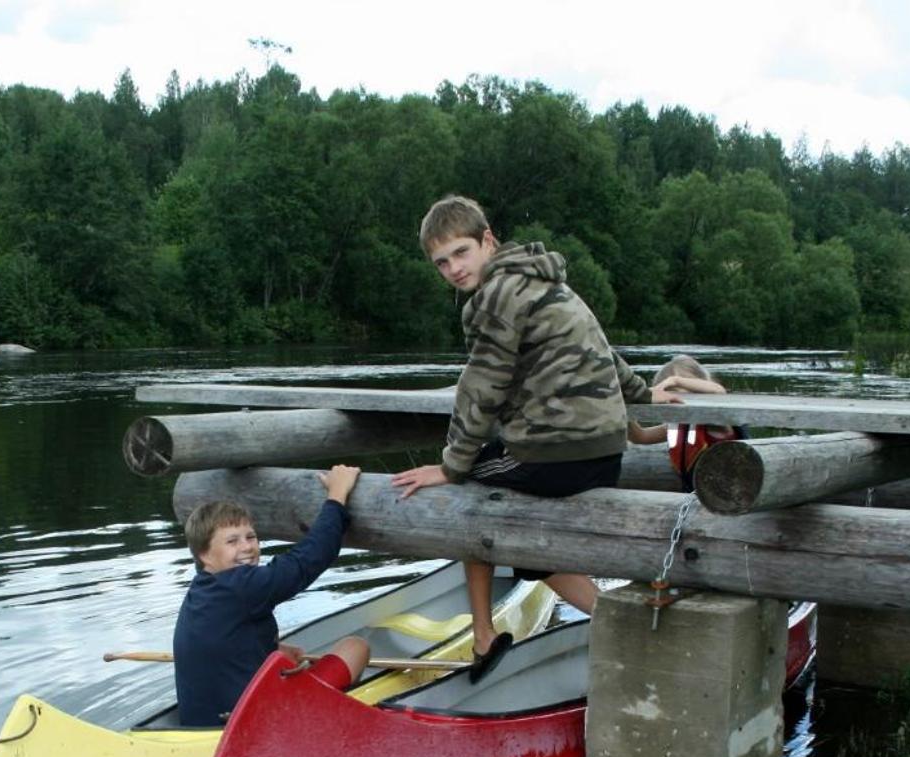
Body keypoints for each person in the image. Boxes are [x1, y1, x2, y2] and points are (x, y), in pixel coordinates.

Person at [394, 195, 683, 680]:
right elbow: (603, 350)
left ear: (488, 240)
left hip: (555, 452)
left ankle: (484, 635)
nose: (453, 269)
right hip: (604, 450)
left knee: (466, 491)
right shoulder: (548, 282)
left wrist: (449, 467)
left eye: (461, 253)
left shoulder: (495, 296)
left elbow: (481, 387)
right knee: (523, 540)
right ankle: (617, 617)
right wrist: (643, 392)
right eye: (441, 263)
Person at [172, 464, 372, 726]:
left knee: (282, 656)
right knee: (356, 647)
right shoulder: (242, 585)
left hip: (201, 722)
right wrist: (337, 495)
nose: (247, 547)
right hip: (251, 724)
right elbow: (309, 558)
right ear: (204, 555)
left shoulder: (203, 590)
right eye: (232, 541)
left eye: (251, 537)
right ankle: (325, 717)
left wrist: (271, 649)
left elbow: (227, 640)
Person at [625, 353, 742, 490]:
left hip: (730, 497)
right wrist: (624, 408)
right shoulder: (678, 427)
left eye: (679, 395)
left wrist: (675, 380)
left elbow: (719, 392)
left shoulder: (716, 423)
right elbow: (640, 437)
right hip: (698, 497)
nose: (672, 402)